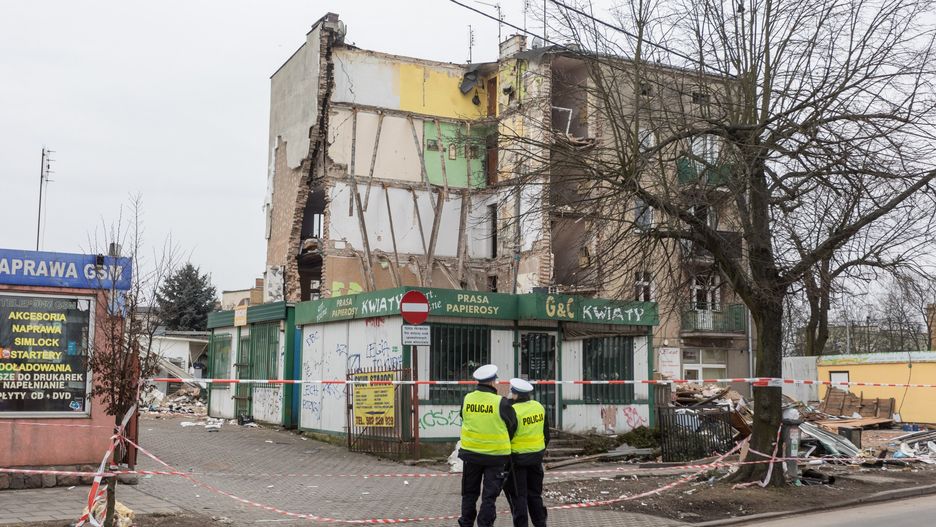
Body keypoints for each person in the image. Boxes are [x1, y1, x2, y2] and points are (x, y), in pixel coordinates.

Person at [458, 364, 517, 527]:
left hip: (471, 455)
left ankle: (466, 522)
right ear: (492, 382)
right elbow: (513, 426)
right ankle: (485, 524)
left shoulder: (467, 398)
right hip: (496, 457)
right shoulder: (501, 403)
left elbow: (463, 417)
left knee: (469, 493)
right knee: (489, 496)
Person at [503, 378, 549, 527]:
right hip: (536, 459)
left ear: (515, 394)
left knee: (519, 497)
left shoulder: (513, 411)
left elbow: (507, 436)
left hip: (517, 461)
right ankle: (540, 523)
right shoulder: (538, 407)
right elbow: (546, 434)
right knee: (535, 495)